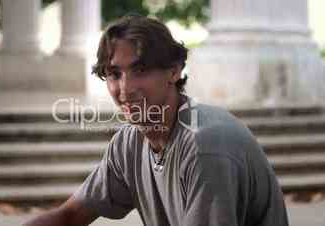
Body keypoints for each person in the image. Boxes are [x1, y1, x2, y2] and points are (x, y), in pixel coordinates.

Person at [24, 15, 289, 226]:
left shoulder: (204, 146)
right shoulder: (129, 143)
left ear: (174, 70)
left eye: (140, 70)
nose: (125, 89)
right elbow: (69, 217)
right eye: (114, 74)